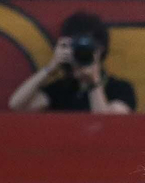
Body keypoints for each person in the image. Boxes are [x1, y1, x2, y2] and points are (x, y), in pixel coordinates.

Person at [8, 11, 137, 113]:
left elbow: (107, 126)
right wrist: (51, 67)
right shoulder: (62, 90)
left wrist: (93, 81)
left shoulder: (120, 89)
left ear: (100, 50)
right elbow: (17, 105)